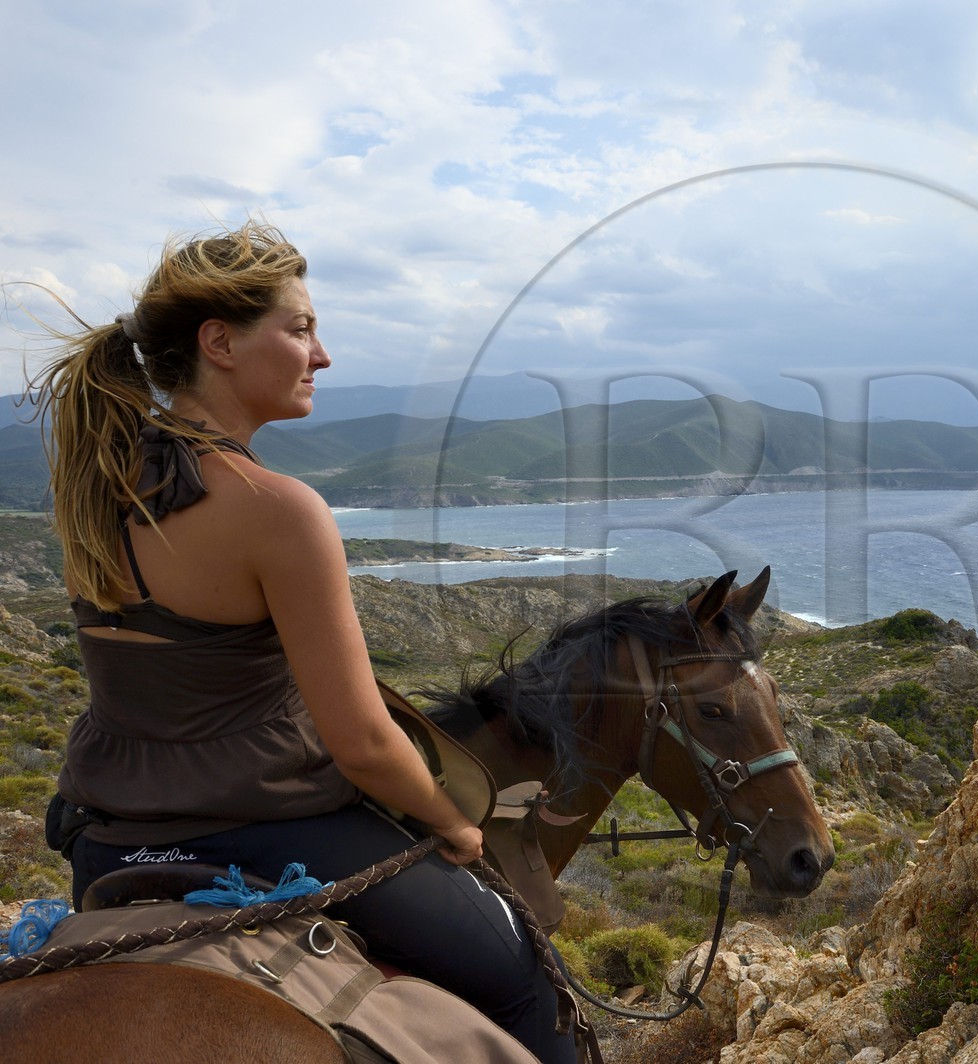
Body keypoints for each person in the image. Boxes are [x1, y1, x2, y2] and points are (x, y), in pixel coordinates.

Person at [30, 221, 577, 1063]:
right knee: (521, 974)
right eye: (300, 329)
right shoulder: (279, 509)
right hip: (266, 831)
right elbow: (360, 743)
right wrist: (455, 827)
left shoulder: (93, 484)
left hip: (108, 836)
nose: (321, 356)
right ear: (219, 342)